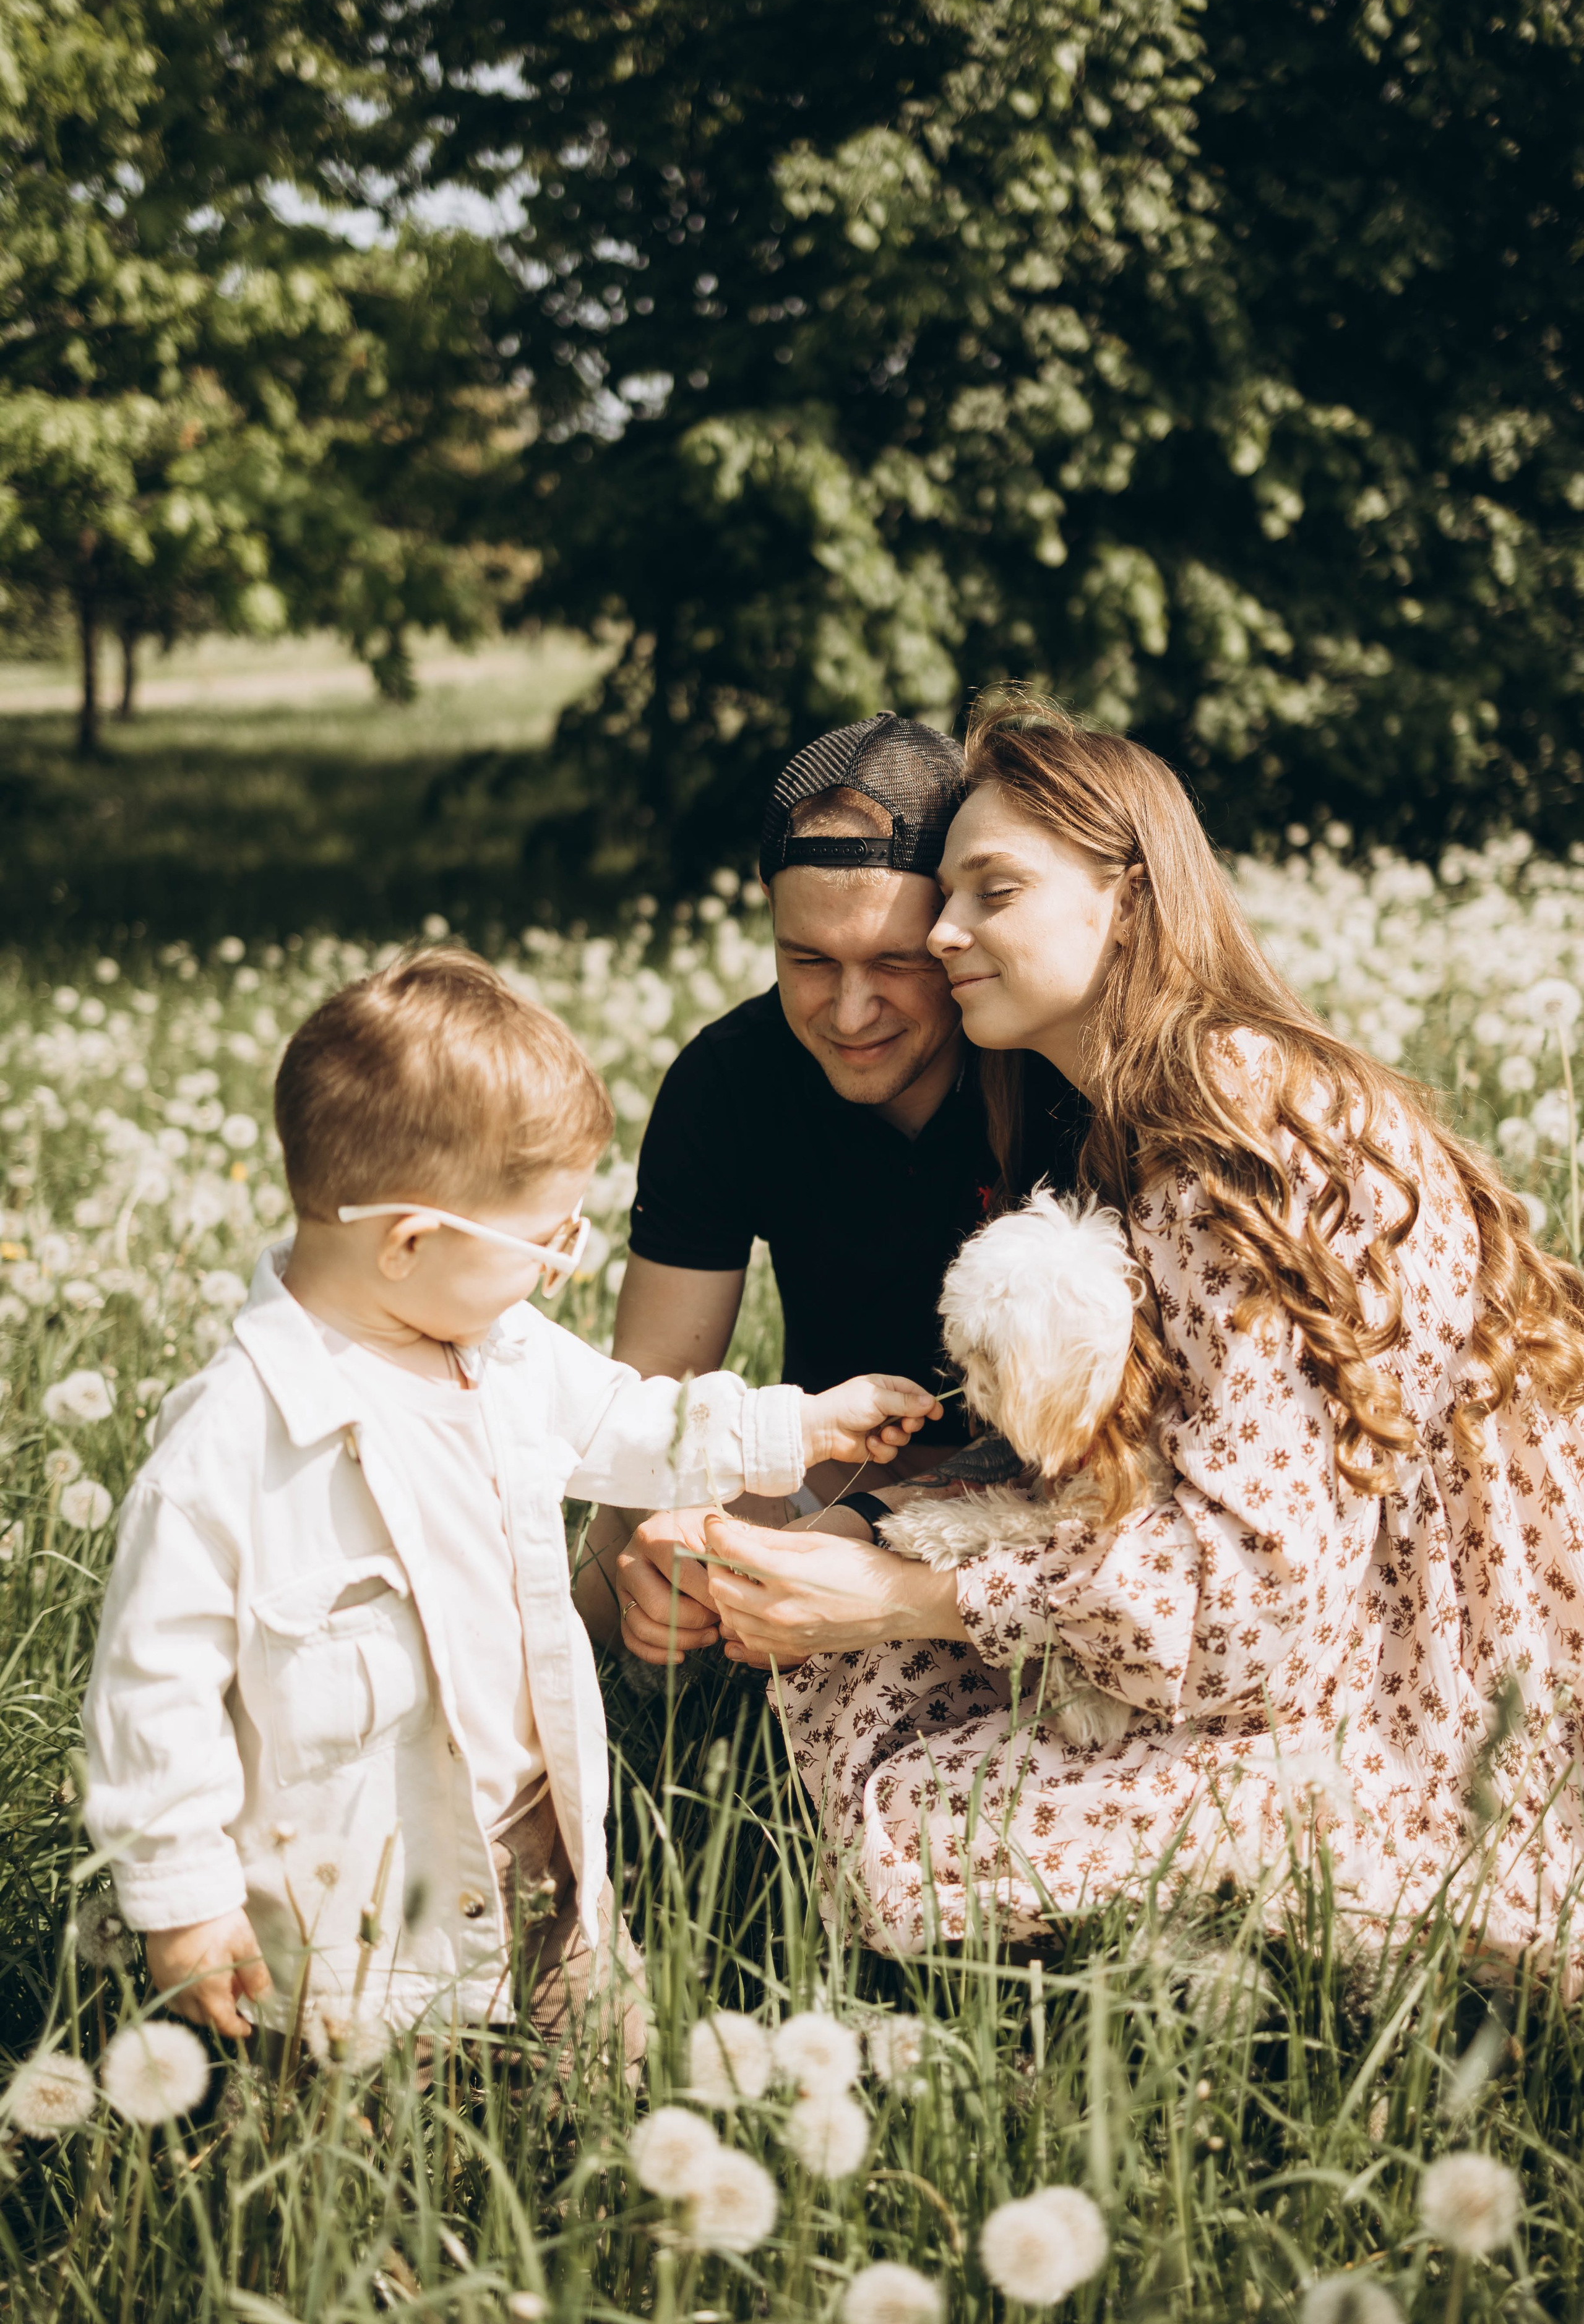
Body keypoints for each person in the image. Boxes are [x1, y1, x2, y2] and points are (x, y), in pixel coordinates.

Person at [659, 694, 1584, 1978]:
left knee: (927, 1808)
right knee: (869, 1693)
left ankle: (1230, 1984)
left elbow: (1261, 1598)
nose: (941, 932)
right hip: (1340, 1615)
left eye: (991, 893)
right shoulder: (1143, 1111)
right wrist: (865, 1541)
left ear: (1128, 901)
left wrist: (900, 1597)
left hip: (1430, 1665)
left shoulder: (1234, 1141)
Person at [82, 948, 940, 2050]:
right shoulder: (229, 1450)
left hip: (546, 1845)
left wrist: (803, 1424)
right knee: (381, 2154)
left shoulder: (503, 1350)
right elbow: (150, 1692)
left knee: (612, 2081)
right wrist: (180, 1902)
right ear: (408, 1244)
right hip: (350, 1915)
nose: (554, 1272)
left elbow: (633, 1423)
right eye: (547, 1243)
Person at [579, 710, 1084, 1664]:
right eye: (808, 962)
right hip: (828, 1479)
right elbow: (656, 1404)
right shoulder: (727, 1080)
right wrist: (646, 1574)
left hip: (1051, 1495)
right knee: (632, 1558)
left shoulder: (1051, 1068)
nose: (850, 1013)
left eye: (896, 961)